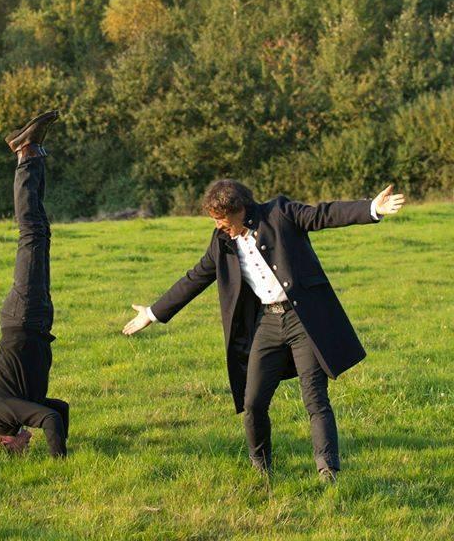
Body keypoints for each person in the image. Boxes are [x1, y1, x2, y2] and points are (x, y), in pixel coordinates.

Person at [122, 180, 405, 481]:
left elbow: (323, 214)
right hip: (267, 324)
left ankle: (328, 470)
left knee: (315, 397)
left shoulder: (280, 213)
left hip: (302, 320)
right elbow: (196, 277)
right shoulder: (222, 241)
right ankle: (261, 467)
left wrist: (372, 208)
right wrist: (152, 314)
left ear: (239, 210)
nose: (219, 226)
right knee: (252, 402)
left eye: (221, 219)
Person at [0, 109, 69, 457]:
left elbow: (47, 417)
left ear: (3, 441)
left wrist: (57, 460)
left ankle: (25, 153)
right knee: (40, 232)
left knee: (31, 232)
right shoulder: (10, 416)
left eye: (20, 447)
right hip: (34, 321)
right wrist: (62, 442)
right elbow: (58, 409)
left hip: (23, 316)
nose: (25, 443)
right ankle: (31, 153)